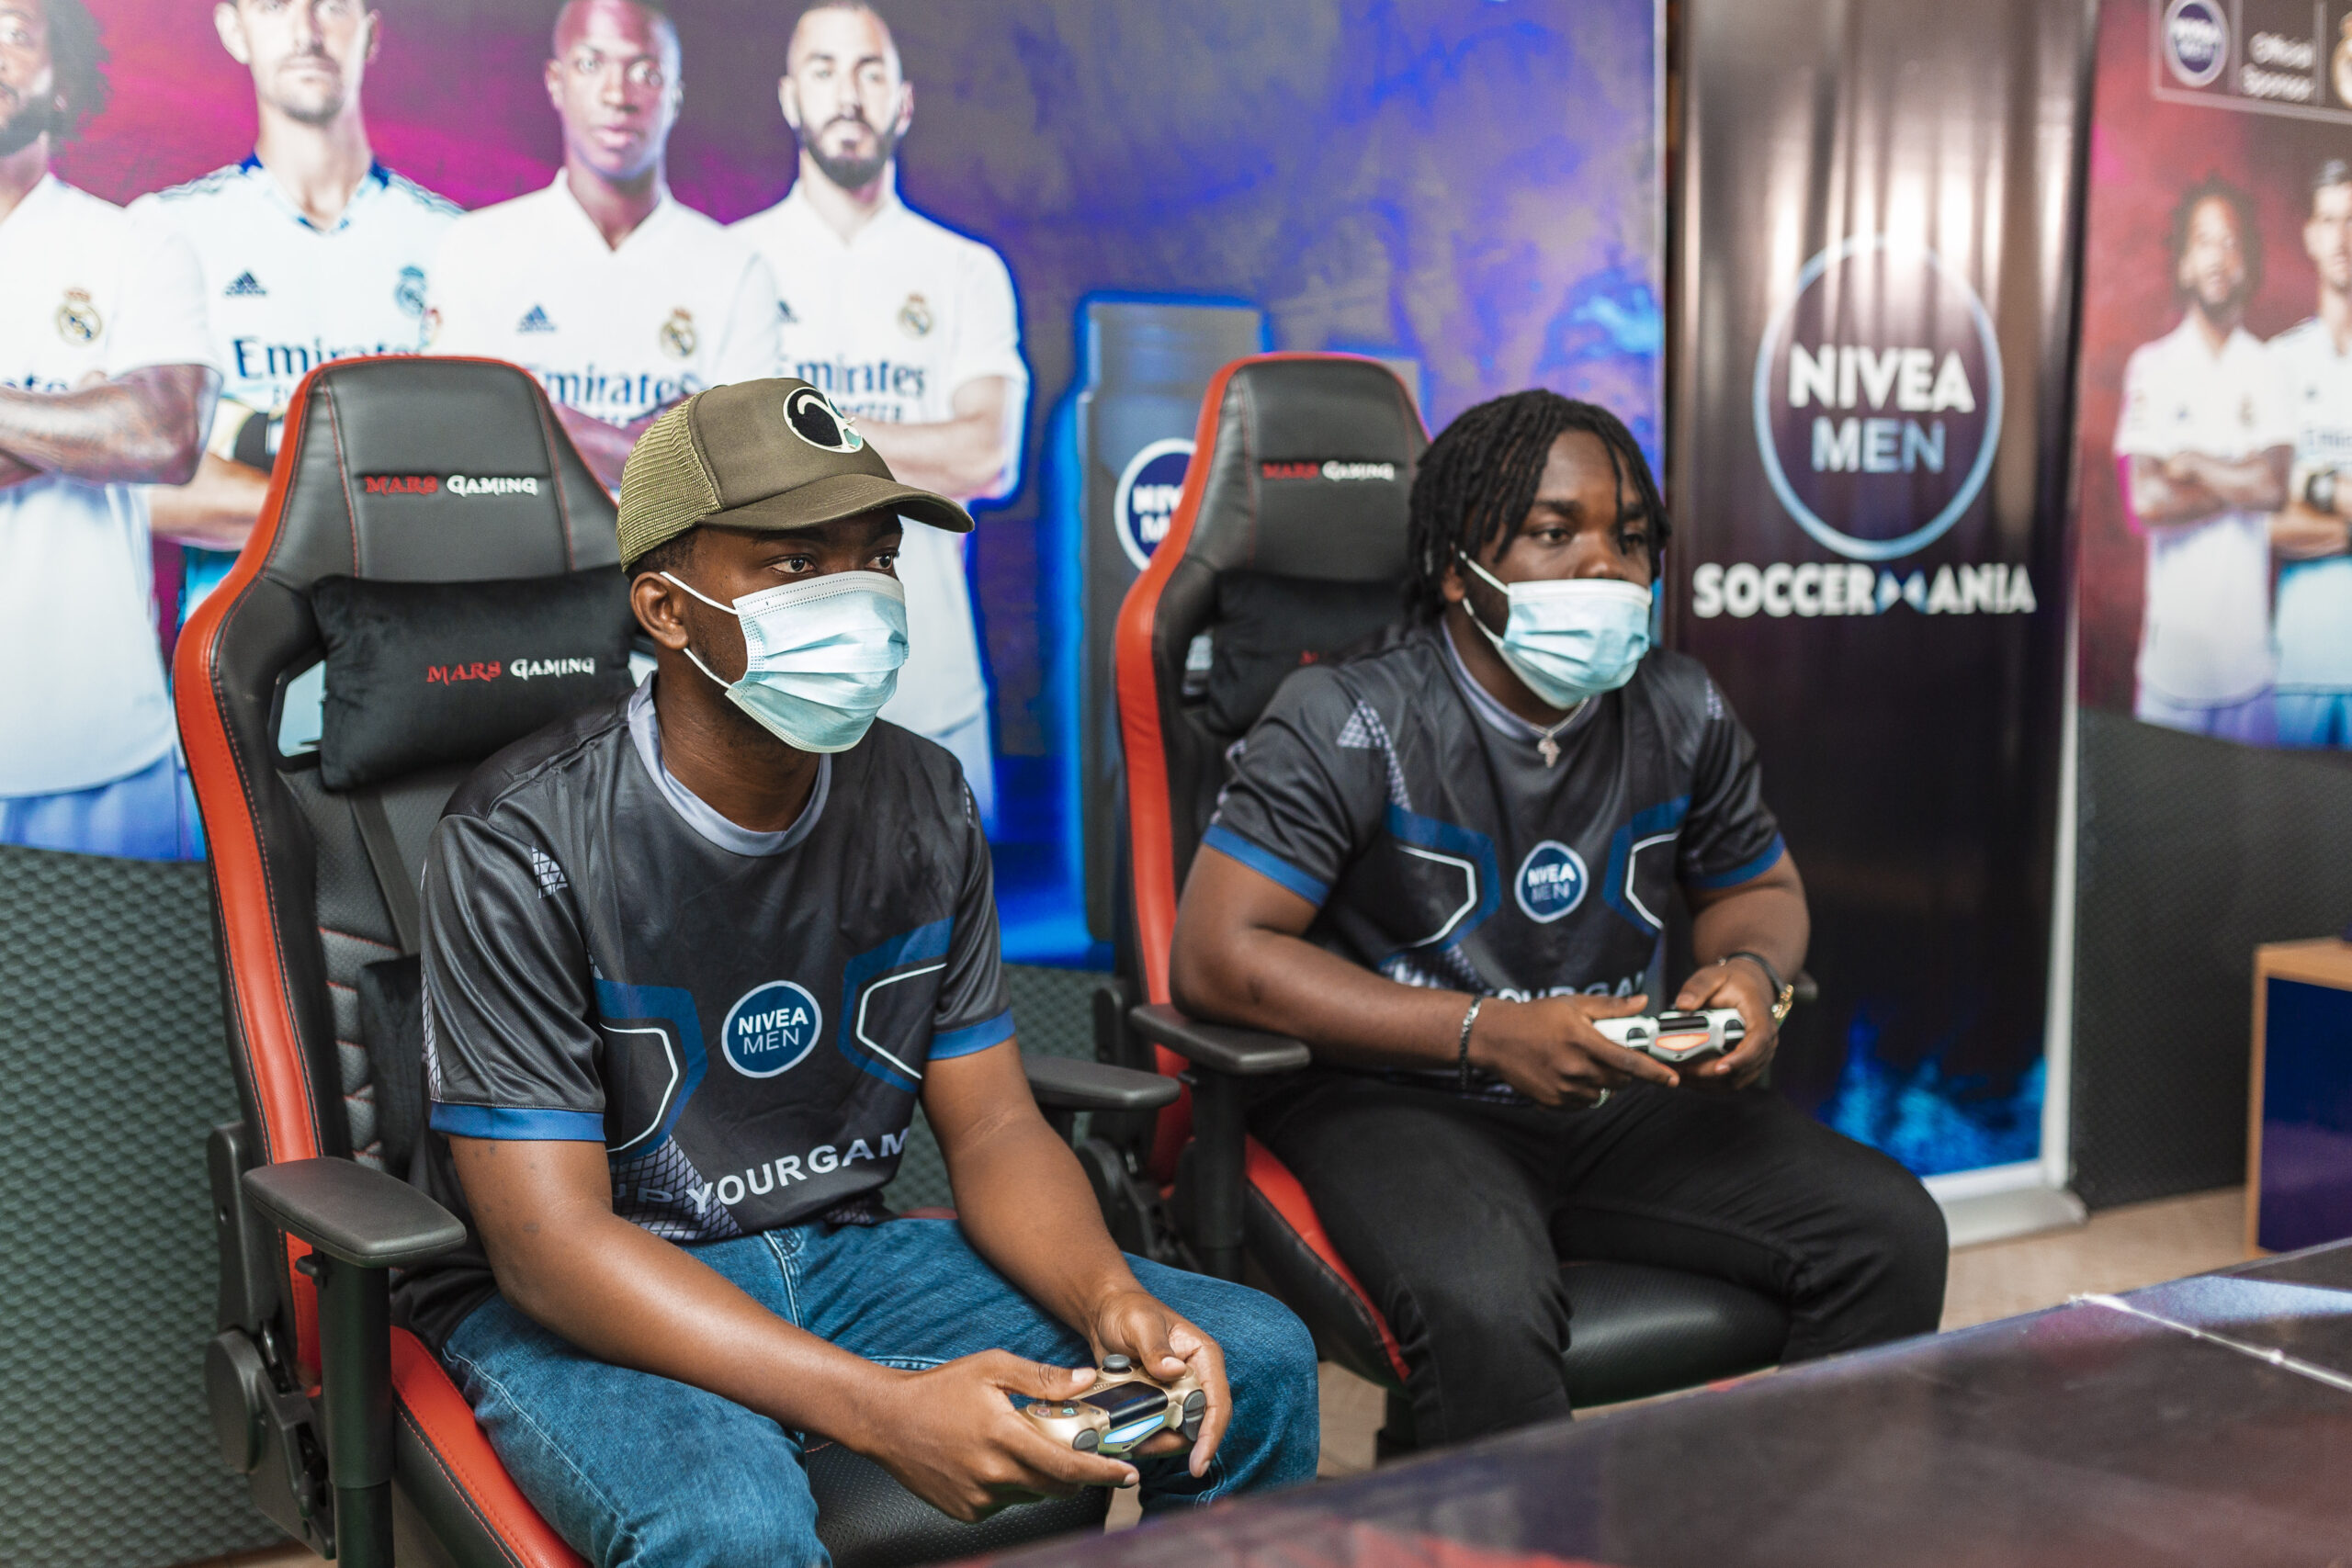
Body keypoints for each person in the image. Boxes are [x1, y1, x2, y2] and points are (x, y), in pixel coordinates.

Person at [395, 377, 1318, 1565]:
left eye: (876, 556)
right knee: (731, 1525)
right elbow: (551, 1247)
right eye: (795, 562)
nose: (859, 593)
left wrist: (1111, 1298)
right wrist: (881, 1410)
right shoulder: (519, 836)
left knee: (1254, 1357)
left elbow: (995, 1129)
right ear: (665, 609)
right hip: (595, 1298)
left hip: (841, 1251)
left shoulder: (925, 797)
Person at [1167, 390, 1947, 1446]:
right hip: (1390, 1095)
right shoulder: (1346, 717)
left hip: (1612, 1090)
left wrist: (1752, 976)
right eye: (1553, 532)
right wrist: (1483, 1032)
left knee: (1889, 1234)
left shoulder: (1681, 706)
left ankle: (1778, 1515)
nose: (1605, 568)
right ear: (1457, 569)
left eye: (1630, 540)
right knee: (1485, 1312)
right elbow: (1219, 957)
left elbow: (1757, 892)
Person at [731, 0, 1023, 826]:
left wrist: (797, 428)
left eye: (870, 71)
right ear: (790, 97)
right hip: (769, 689)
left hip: (935, 687)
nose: (848, 94)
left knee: (953, 905)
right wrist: (911, 446)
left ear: (904, 100)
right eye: (823, 70)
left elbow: (988, 455)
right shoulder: (731, 261)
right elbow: (727, 468)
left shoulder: (966, 270)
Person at [132, 0, 459, 622]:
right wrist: (361, 513)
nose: (307, 31)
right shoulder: (167, 230)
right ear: (234, 29)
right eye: (275, 6)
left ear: (371, 33)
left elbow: (488, 474)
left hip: (418, 642)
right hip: (240, 652)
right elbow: (135, 485)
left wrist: (246, 450)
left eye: (332, 6)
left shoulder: (457, 243)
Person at [0, 0, 220, 859]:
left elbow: (163, 435)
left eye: (17, 33)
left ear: (64, 82)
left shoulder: (135, 244)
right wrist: (78, 418)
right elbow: (117, 429)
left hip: (98, 744)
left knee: (120, 956)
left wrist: (117, 423)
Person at [426, 0, 777, 493]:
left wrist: (541, 420)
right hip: (525, 546)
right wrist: (665, 445)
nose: (617, 94)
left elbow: (745, 474)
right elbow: (460, 442)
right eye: (591, 64)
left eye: (645, 72)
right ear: (556, 82)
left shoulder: (737, 270)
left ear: (675, 97)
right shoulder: (475, 249)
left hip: (673, 547)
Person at [2115, 176, 2291, 744]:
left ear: (2247, 262)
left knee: (2257, 808)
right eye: (2204, 241)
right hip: (2172, 675)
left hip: (2251, 672)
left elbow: (2274, 489)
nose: (2218, 256)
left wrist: (2193, 461)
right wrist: (2242, 479)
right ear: (2185, 263)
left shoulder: (2269, 366)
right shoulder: (2153, 367)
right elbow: (2147, 501)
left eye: (2230, 242)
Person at [2270, 161, 2352, 749]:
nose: (2342, 239)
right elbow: (2264, 524)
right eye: (2329, 221)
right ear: (2310, 235)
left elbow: (2287, 502)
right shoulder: (2279, 363)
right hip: (2298, 665)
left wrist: (2308, 486)